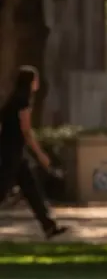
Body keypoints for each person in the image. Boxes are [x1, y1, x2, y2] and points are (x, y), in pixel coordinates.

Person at [0, 66, 66, 239]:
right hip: (11, 154)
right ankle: (48, 225)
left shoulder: (13, 100)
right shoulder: (22, 102)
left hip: (15, 153)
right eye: (35, 79)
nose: (37, 83)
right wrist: (41, 155)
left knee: (32, 190)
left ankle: (48, 226)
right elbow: (27, 131)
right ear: (30, 82)